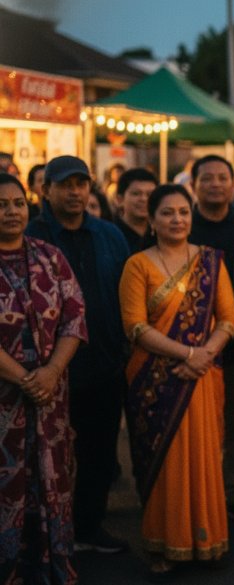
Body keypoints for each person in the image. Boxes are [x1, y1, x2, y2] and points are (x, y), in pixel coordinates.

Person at [120, 184, 234, 579]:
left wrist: (202, 356)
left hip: (202, 378)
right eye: (167, 213)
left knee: (205, 457)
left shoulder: (210, 261)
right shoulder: (138, 264)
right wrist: (187, 353)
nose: (177, 219)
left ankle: (206, 541)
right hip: (156, 378)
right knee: (164, 460)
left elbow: (228, 319)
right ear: (151, 220)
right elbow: (135, 326)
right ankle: (163, 542)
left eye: (183, 212)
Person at [26, 155, 130, 554]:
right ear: (45, 190)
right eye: (65, 184)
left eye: (81, 184)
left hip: (103, 362)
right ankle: (46, 535)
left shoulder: (109, 234)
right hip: (46, 368)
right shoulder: (31, 235)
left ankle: (89, 527)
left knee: (100, 453)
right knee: (46, 457)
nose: (74, 192)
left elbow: (124, 291)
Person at [0, 174, 86, 585]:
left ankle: (51, 566)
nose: (11, 211)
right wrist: (24, 378)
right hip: (5, 400)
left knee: (52, 479)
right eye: (1, 204)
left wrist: (51, 372)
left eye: (17, 203)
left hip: (51, 397)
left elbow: (75, 317)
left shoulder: (51, 257)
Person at [187, 154, 234, 526]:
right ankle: (199, 493)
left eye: (222, 178)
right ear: (194, 184)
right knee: (195, 427)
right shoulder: (184, 224)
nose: (215, 184)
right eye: (207, 178)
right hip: (187, 346)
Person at [114, 168, 157, 252]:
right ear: (120, 200)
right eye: (136, 193)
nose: (144, 199)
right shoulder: (109, 234)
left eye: (149, 194)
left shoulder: (161, 233)